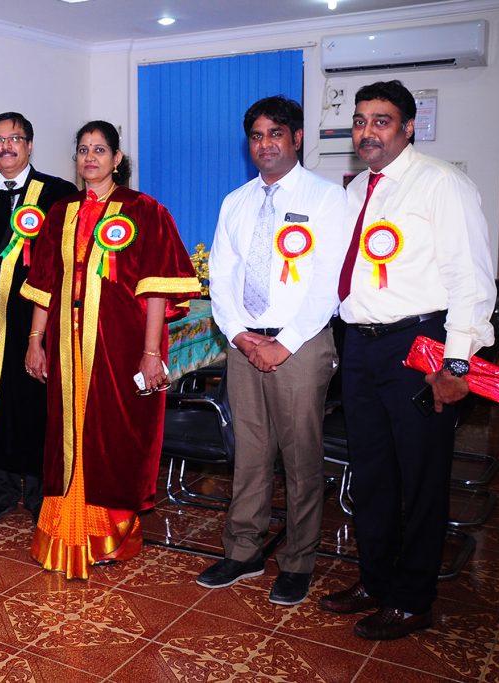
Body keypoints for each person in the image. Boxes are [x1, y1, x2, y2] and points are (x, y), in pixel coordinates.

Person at [319, 80, 495, 639]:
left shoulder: (443, 184)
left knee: (421, 476)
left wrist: (459, 365)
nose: (368, 131)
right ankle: (375, 581)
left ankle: (414, 597)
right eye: (361, 120)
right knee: (370, 473)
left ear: (409, 126)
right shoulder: (355, 191)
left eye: (382, 120)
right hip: (362, 346)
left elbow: (472, 280)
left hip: (420, 345)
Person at [21, 120, 199, 578]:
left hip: (119, 343)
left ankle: (108, 533)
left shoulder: (145, 210)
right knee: (66, 431)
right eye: (83, 150)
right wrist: (35, 341)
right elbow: (44, 285)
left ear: (117, 159)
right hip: (65, 343)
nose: (90, 158)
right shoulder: (59, 213)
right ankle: (64, 528)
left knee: (112, 434)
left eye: (100, 150)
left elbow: (157, 289)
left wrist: (151, 351)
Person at [199, 96, 347, 604]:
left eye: (275, 134)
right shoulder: (235, 201)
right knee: (251, 453)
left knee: (301, 456)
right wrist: (240, 335)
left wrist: (282, 345)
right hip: (244, 343)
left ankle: (299, 561)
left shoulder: (328, 199)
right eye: (257, 136)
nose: (265, 144)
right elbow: (221, 275)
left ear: (297, 138)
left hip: (300, 344)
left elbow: (327, 283)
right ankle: (242, 551)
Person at [0, 112, 77, 525]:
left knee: (34, 403)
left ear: (30, 145)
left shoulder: (58, 193)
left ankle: (39, 493)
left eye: (15, 138)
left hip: (35, 318)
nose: (6, 146)